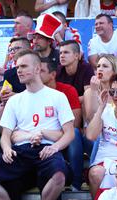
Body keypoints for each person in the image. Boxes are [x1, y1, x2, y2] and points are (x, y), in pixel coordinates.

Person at [0, 49, 74, 200]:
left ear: (37, 69)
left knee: (60, 175)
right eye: (18, 67)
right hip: (21, 151)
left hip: (47, 149)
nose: (19, 70)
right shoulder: (14, 100)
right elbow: (6, 135)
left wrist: (54, 147)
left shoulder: (57, 96)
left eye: (24, 66)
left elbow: (70, 133)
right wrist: (5, 149)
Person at [40, 58, 84, 191]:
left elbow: (75, 122)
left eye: (41, 70)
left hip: (64, 134)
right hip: (42, 136)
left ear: (53, 74)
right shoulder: (32, 94)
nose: (37, 74)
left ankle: (76, 183)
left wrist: (57, 132)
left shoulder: (67, 90)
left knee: (75, 133)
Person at [84, 54, 117, 123]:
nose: (100, 69)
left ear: (114, 71)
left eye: (105, 66)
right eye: (98, 66)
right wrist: (94, 91)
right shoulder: (89, 92)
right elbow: (91, 118)